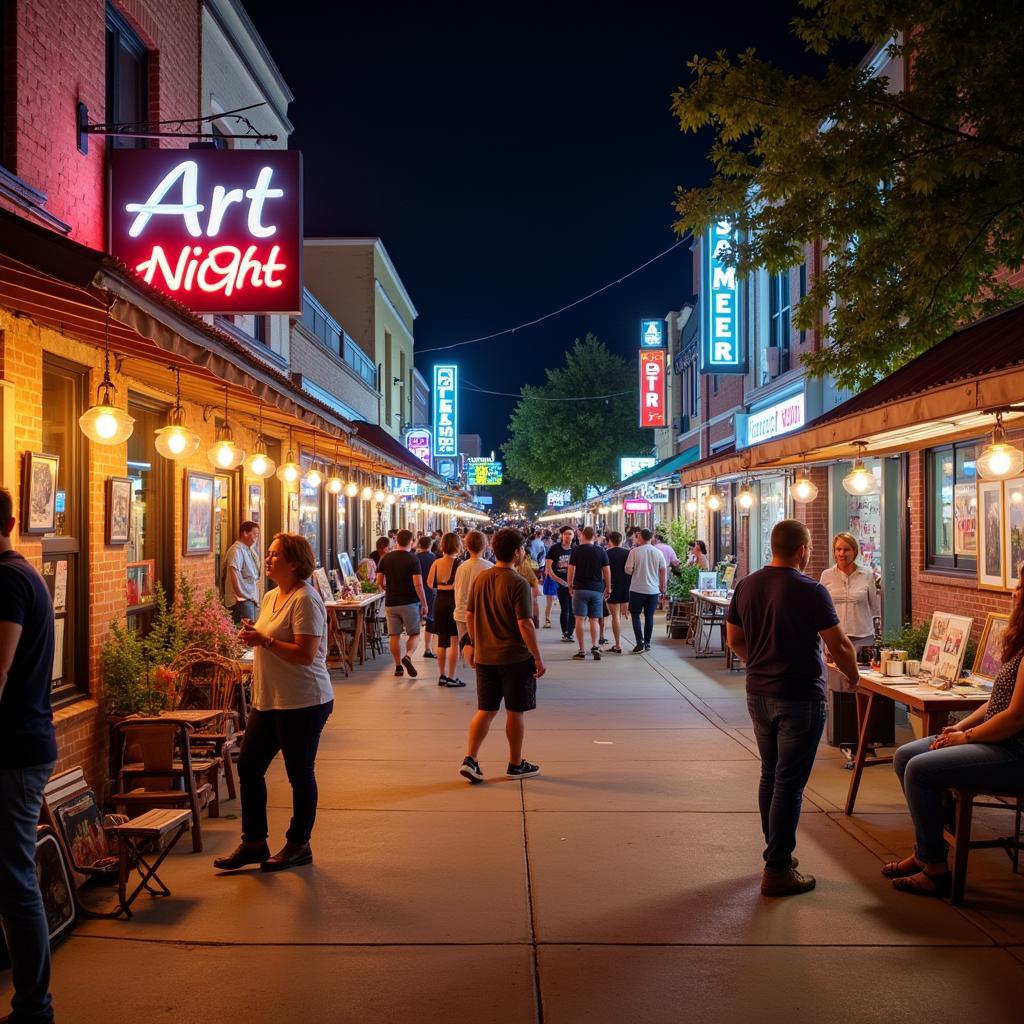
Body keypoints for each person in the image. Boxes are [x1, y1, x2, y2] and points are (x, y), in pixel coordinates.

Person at [725, 519, 858, 897]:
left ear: (773, 547)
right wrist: (854, 677)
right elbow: (840, 645)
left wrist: (761, 661)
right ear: (803, 550)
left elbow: (734, 639)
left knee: (770, 774)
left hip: (758, 693)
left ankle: (775, 854)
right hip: (799, 695)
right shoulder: (812, 590)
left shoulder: (746, 585)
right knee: (789, 782)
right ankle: (778, 868)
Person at [885, 567, 1024, 898]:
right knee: (907, 755)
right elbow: (996, 700)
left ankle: (934, 869)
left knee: (921, 769)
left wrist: (967, 738)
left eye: (1021, 586)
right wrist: (960, 726)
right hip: (993, 740)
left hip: (1014, 753)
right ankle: (927, 851)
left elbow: (1015, 717)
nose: (1014, 593)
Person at [215, 532, 334, 874]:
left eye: (274, 555)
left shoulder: (305, 600)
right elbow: (269, 639)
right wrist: (255, 634)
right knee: (250, 766)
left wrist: (264, 640)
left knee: (300, 774)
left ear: (294, 562)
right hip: (269, 700)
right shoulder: (269, 597)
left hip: (304, 701)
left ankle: (299, 843)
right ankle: (254, 842)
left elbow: (306, 653)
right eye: (267, 554)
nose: (267, 559)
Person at [0, 487, 57, 1024]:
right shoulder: (26, 574)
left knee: (15, 879)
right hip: (26, 742)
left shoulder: (7, 580)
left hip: (14, 749)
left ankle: (33, 1008)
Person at [459, 528, 546, 784]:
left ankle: (470, 759)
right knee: (514, 711)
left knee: (485, 709)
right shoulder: (518, 582)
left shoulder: (481, 579)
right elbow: (525, 624)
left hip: (485, 657)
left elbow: (469, 615)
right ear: (518, 552)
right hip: (514, 658)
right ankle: (515, 764)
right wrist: (537, 657)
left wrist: (474, 644)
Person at [376, 529, 427, 678]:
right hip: (409, 602)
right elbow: (418, 584)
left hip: (391, 602)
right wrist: (424, 603)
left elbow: (379, 582)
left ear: (396, 541)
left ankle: (398, 666)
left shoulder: (385, 558)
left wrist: (388, 588)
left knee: (394, 635)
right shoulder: (413, 559)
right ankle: (408, 656)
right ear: (411, 542)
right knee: (415, 633)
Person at [819, 532, 880, 656]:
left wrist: (878, 634)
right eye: (838, 549)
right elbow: (821, 610)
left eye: (846, 549)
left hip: (863, 637)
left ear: (855, 551)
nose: (842, 553)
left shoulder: (867, 574)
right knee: (835, 674)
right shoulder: (826, 575)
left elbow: (875, 608)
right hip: (835, 638)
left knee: (861, 674)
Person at [427, 532, 465, 687]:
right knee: (454, 641)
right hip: (454, 601)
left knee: (442, 641)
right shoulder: (460, 563)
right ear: (457, 545)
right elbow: (462, 585)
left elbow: (430, 583)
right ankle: (452, 676)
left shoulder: (436, 563)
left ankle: (441, 675)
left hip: (440, 601)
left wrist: (441, 585)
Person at [567, 526, 610, 661]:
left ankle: (581, 651)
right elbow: (607, 571)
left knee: (579, 620)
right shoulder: (601, 551)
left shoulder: (576, 550)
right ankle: (595, 646)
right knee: (594, 620)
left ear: (582, 535)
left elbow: (571, 569)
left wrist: (570, 584)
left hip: (580, 588)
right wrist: (608, 587)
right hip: (596, 590)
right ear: (594, 537)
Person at [624, 529, 667, 653]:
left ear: (640, 538)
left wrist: (634, 571)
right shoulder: (658, 552)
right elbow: (663, 569)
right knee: (649, 616)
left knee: (635, 615)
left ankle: (639, 642)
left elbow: (628, 569)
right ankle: (647, 643)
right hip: (653, 590)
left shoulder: (634, 552)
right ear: (651, 538)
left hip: (637, 589)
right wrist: (662, 586)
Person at [454, 529, 493, 653]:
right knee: (483, 650)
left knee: (467, 647)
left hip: (461, 613)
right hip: (483, 615)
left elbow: (458, 590)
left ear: (467, 546)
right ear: (485, 546)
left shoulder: (461, 567)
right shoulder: (489, 567)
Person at [223, 520, 261, 625]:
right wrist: (241, 595)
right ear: (245, 533)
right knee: (245, 633)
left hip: (250, 597)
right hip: (241, 600)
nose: (256, 538)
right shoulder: (236, 550)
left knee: (251, 629)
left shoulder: (249, 550)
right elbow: (233, 573)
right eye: (255, 534)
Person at [545, 525, 576, 643]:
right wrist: (558, 580)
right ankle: (565, 633)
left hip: (573, 583)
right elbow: (549, 567)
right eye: (566, 533)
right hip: (560, 582)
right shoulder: (554, 549)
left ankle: (571, 633)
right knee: (565, 608)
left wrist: (573, 582)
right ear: (562, 535)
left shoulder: (575, 549)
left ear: (573, 536)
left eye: (570, 534)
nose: (568, 536)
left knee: (573, 609)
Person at [605, 531, 630, 653]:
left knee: (615, 616)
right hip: (626, 586)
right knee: (620, 615)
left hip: (612, 586)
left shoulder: (606, 553)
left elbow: (603, 572)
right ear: (622, 540)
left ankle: (618, 644)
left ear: (610, 541)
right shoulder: (628, 553)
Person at [416, 536, 438, 660]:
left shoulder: (415, 558)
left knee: (418, 620)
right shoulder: (434, 559)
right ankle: (428, 648)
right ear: (430, 545)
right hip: (431, 591)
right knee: (431, 619)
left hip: (417, 590)